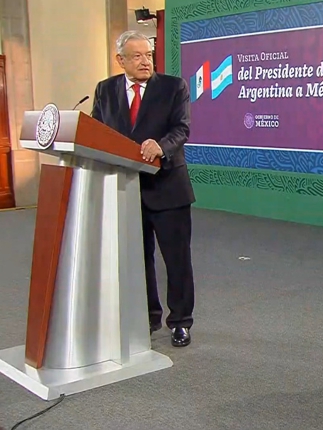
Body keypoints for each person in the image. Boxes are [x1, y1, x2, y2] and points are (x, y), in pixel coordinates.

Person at [91, 30, 196, 347]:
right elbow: (96, 131)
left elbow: (182, 128)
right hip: (126, 189)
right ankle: (147, 317)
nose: (145, 61)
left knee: (177, 260)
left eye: (148, 55)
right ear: (120, 60)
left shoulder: (173, 87)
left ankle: (180, 321)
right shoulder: (105, 90)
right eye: (136, 56)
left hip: (168, 188)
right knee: (138, 259)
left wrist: (161, 146)